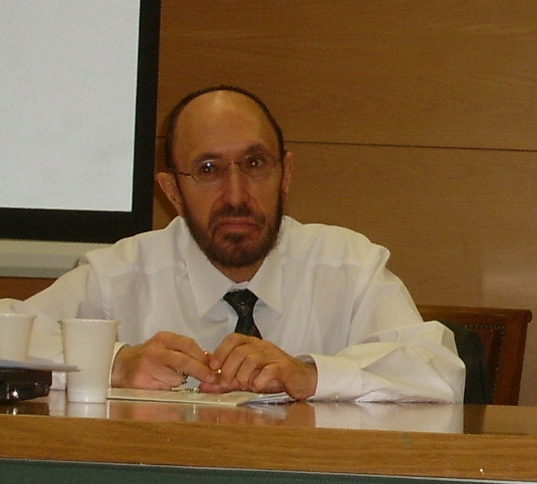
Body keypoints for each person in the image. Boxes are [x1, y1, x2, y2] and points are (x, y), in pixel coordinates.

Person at [0, 85, 465, 402]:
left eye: (256, 164)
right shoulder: (119, 275)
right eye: (208, 170)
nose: (237, 195)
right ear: (172, 191)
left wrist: (311, 374)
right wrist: (114, 363)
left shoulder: (349, 267)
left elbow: (439, 369)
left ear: (286, 174)